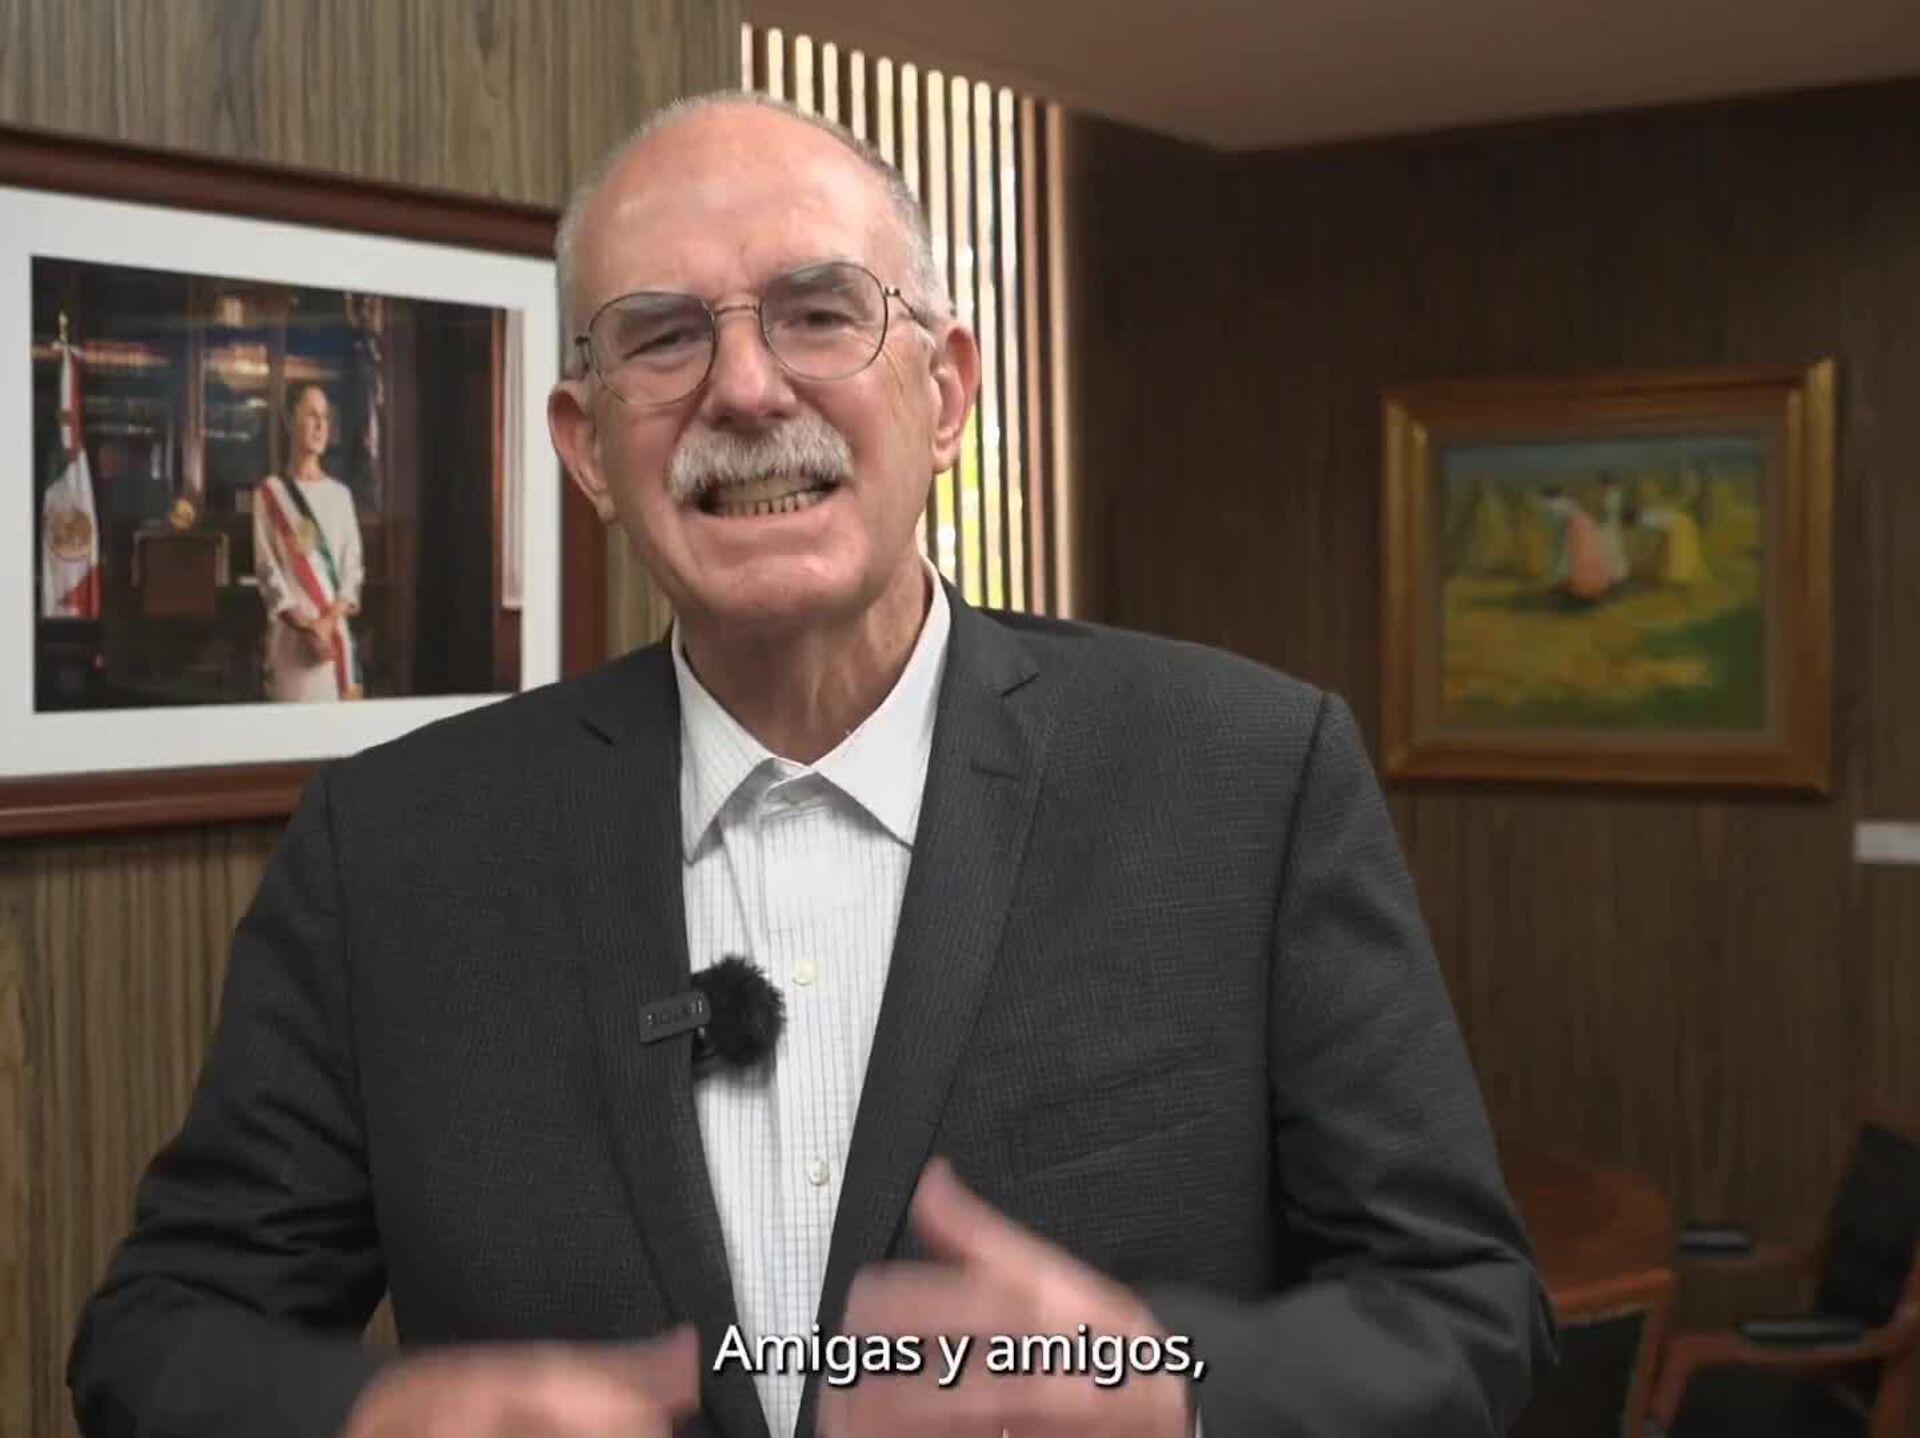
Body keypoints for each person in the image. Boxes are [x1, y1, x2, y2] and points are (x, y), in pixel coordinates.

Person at [67, 93, 1553, 1438]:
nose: (747, 389)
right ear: (586, 448)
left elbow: (1469, 1320)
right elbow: (160, 1337)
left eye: (819, 313)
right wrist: (379, 1415)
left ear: (947, 392)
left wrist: (1177, 1389)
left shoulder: (1245, 779)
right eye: (663, 337)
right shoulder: (395, 848)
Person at [253, 382, 365, 701]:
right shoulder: (270, 494)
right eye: (312, 415)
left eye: (325, 417)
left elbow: (353, 570)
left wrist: (326, 624)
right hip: (292, 644)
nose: (320, 426)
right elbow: (268, 571)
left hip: (333, 641)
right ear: (291, 421)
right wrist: (305, 628)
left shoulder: (340, 496)